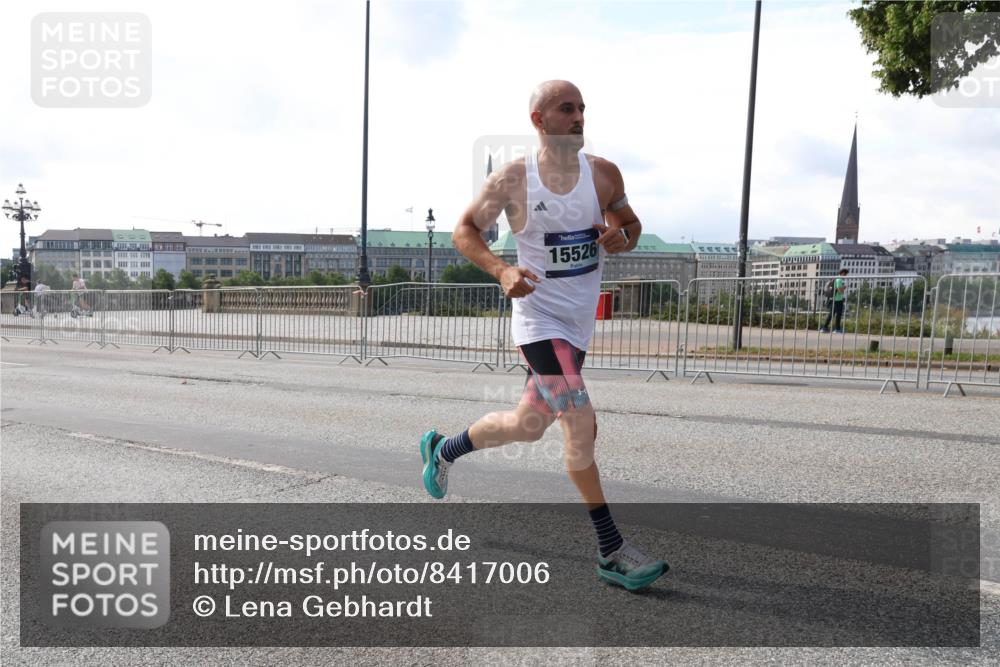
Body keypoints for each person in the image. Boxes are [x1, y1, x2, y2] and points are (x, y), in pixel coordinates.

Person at [419, 80, 669, 592]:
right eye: (567, 109)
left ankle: (444, 450)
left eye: (582, 109)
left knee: (528, 424)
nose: (579, 117)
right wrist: (501, 270)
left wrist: (623, 236)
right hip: (537, 321)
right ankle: (612, 550)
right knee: (579, 422)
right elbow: (463, 230)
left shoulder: (603, 175)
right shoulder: (514, 180)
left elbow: (630, 223)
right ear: (539, 120)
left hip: (578, 327)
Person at [820, 268, 849, 333]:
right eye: (845, 274)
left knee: (832, 314)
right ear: (842, 273)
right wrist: (844, 287)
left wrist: (842, 288)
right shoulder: (839, 280)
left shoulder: (836, 279)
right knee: (837, 314)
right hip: (837, 300)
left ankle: (825, 328)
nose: (845, 276)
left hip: (835, 299)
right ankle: (836, 329)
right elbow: (840, 291)